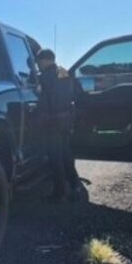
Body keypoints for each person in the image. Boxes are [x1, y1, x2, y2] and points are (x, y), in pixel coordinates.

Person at [36, 48, 84, 201]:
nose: (38, 65)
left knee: (55, 157)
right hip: (66, 120)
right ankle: (75, 186)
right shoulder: (64, 72)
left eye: (39, 62)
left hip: (53, 121)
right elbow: (78, 92)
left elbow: (42, 99)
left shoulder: (44, 77)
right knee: (66, 154)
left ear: (44, 60)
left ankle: (59, 192)